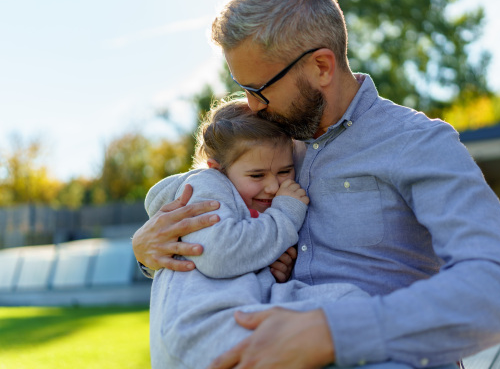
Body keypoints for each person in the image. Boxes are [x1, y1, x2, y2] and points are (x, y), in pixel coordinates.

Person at [132, 0, 500, 368]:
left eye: (260, 90)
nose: (252, 107)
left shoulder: (418, 142)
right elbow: (214, 217)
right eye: (243, 90)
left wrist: (332, 332)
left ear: (322, 67)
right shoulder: (270, 150)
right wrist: (152, 250)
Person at [146, 99, 372, 369]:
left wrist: (265, 271)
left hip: (237, 314)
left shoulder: (243, 199)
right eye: (257, 175)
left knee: (349, 303)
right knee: (351, 312)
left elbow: (232, 261)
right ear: (218, 168)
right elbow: (219, 254)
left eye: (285, 171)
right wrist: (285, 215)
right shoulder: (203, 186)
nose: (273, 186)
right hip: (204, 334)